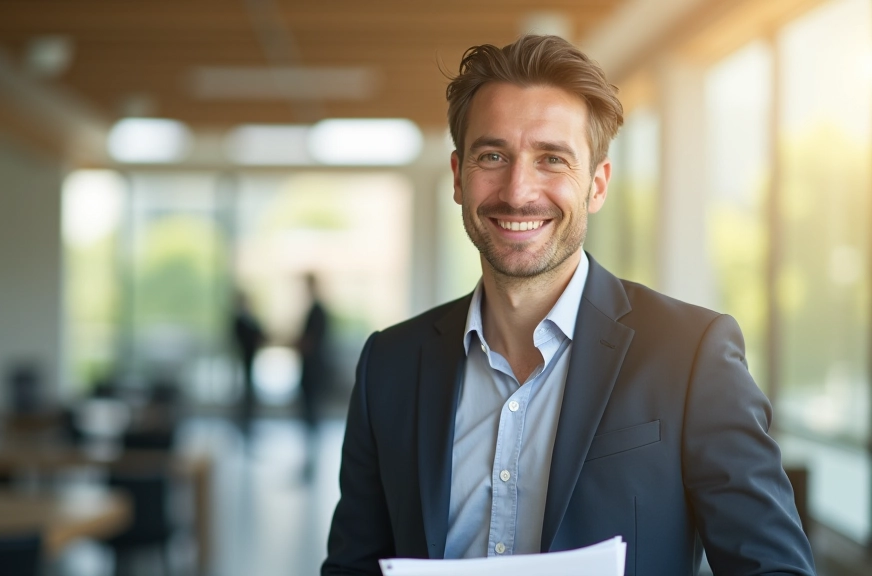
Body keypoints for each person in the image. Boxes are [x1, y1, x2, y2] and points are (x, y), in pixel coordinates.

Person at [323, 35, 815, 576]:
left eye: (551, 159)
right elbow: (353, 566)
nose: (518, 190)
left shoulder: (691, 355)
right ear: (458, 175)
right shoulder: (388, 365)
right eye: (493, 156)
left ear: (597, 185)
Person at [296, 273, 329, 433]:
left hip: (313, 367)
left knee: (311, 408)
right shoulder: (316, 310)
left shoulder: (317, 312)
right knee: (309, 408)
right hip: (312, 365)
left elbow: (311, 341)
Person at [232, 290, 265, 434]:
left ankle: (249, 416)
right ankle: (245, 417)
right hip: (243, 358)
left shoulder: (249, 319)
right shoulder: (239, 320)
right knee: (244, 388)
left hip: (251, 358)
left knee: (249, 388)